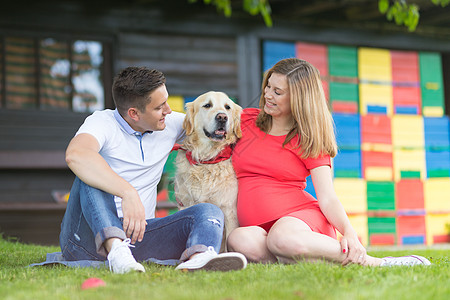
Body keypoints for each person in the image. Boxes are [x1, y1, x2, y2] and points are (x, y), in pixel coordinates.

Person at [227, 58, 430, 267]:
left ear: (299, 98)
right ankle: (299, 260)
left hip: (300, 221)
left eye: (278, 92)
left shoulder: (307, 138)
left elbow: (327, 197)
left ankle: (374, 262)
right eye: (268, 86)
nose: (268, 95)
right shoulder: (245, 121)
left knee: (282, 238)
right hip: (259, 229)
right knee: (238, 239)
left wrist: (349, 232)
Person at [59, 66, 247, 274]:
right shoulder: (102, 123)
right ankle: (116, 251)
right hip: (85, 241)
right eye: (159, 107)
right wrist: (127, 192)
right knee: (89, 172)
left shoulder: (168, 123)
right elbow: (76, 155)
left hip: (140, 235)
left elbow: (215, 125)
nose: (168, 110)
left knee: (209, 210)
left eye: (166, 101)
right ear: (134, 113)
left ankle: (200, 257)